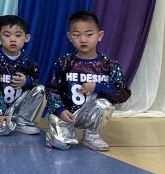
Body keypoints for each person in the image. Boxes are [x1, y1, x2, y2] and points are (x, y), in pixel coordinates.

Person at [45, 10, 131, 151]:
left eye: (89, 34)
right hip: (67, 114)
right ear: (69, 37)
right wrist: (60, 110)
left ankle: (91, 135)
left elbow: (122, 93)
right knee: (60, 145)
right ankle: (63, 130)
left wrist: (97, 87)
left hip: (92, 113)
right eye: (76, 35)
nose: (83, 39)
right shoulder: (64, 62)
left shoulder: (109, 65)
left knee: (104, 104)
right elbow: (51, 90)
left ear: (99, 36)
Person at [0, 15, 43, 136]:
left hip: (16, 106)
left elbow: (35, 80)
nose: (13, 39)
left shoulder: (28, 59)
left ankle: (22, 121)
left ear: (26, 38)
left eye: (18, 35)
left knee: (41, 89)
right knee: (3, 130)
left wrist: (26, 81)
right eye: (7, 35)